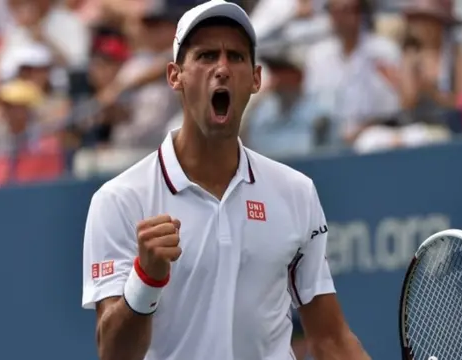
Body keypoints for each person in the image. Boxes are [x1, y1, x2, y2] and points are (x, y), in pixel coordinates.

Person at [81, 1, 370, 360]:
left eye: (235, 56)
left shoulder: (297, 192)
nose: (221, 69)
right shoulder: (119, 200)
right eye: (205, 56)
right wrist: (147, 279)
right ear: (175, 76)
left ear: (256, 78)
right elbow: (113, 354)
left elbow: (331, 341)